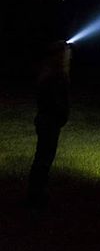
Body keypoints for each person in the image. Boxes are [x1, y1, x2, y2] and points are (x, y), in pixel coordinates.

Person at [27, 39, 71, 210]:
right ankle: (36, 194)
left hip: (48, 120)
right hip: (49, 121)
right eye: (65, 52)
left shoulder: (51, 73)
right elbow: (53, 100)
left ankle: (37, 191)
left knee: (44, 156)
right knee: (44, 157)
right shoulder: (54, 75)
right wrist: (60, 114)